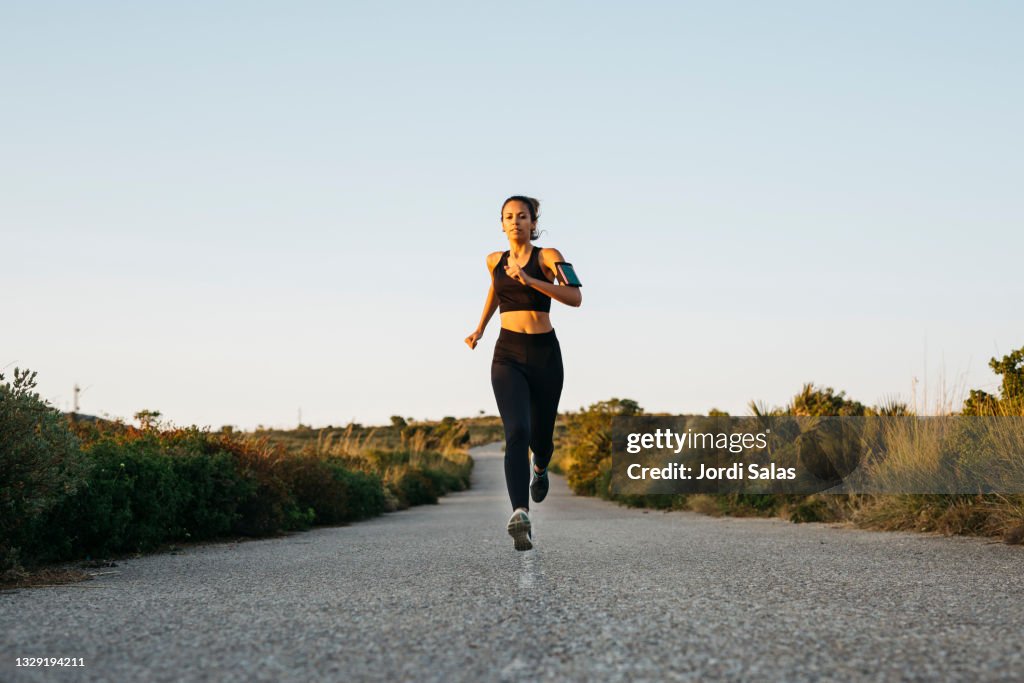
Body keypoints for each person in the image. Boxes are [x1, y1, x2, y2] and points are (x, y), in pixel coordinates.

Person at [465, 195, 583, 551]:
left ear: (534, 222)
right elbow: (495, 291)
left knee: (541, 440)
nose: (515, 221)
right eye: (508, 217)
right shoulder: (493, 260)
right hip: (508, 355)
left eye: (522, 216)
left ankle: (541, 467)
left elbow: (575, 297)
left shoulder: (549, 257)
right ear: (501, 224)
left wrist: (531, 281)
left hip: (545, 354)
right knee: (517, 430)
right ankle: (521, 514)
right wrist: (480, 328)